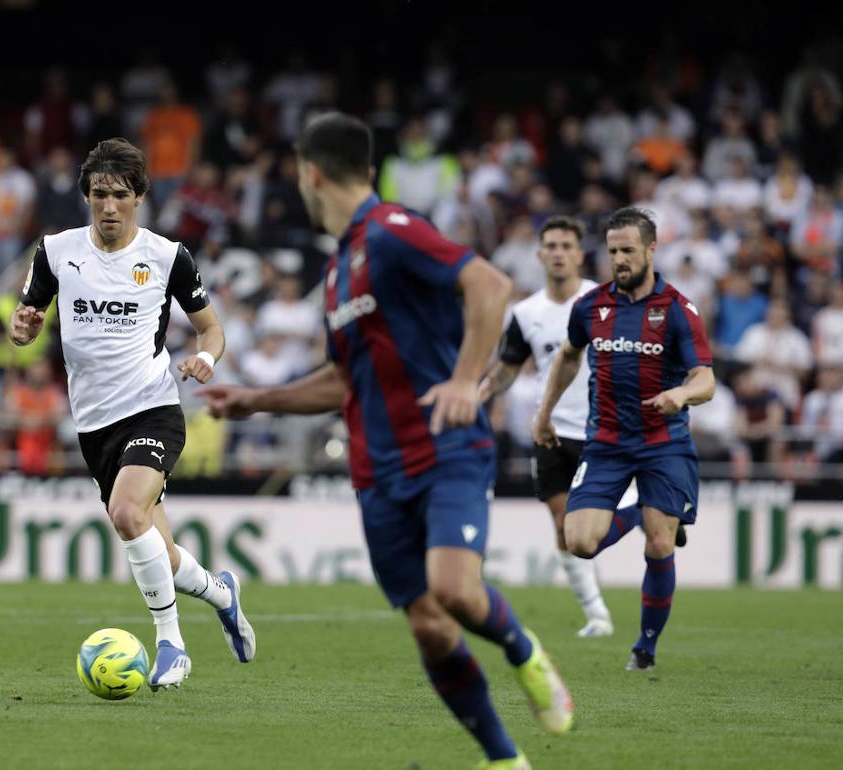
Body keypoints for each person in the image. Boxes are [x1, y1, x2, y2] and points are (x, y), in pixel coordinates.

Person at [200, 113, 571, 770]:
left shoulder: (392, 230)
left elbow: (490, 283)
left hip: (445, 446)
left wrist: (464, 380)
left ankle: (524, 653)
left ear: (311, 175)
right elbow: (343, 379)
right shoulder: (339, 270)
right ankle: (504, 760)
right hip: (377, 472)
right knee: (429, 626)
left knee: (454, 590)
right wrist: (256, 399)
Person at [11, 138, 255, 691]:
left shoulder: (168, 256)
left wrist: (205, 357)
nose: (110, 206)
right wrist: (21, 330)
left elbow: (211, 327)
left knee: (126, 513)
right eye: (100, 194)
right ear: (87, 196)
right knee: (156, 548)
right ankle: (220, 592)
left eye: (121, 194)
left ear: (140, 197)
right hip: (93, 424)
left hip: (153, 407)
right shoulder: (55, 251)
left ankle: (171, 644)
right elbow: (28, 319)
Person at [533, 207, 714, 672]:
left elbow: (705, 380)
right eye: (613, 251)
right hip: (607, 443)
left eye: (628, 250)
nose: (619, 259)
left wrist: (680, 393)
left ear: (652, 249)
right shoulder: (591, 307)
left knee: (659, 545)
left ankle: (645, 649)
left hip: (664, 443)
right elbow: (569, 356)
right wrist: (545, 413)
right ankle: (640, 512)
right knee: (578, 542)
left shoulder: (676, 309)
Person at [479, 216, 619, 637]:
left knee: (596, 523)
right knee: (562, 523)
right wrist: (479, 395)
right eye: (551, 246)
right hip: (551, 429)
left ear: (579, 254)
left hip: (604, 429)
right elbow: (507, 369)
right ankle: (596, 612)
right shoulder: (525, 313)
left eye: (565, 246)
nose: (558, 253)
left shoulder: (605, 300)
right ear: (540, 255)